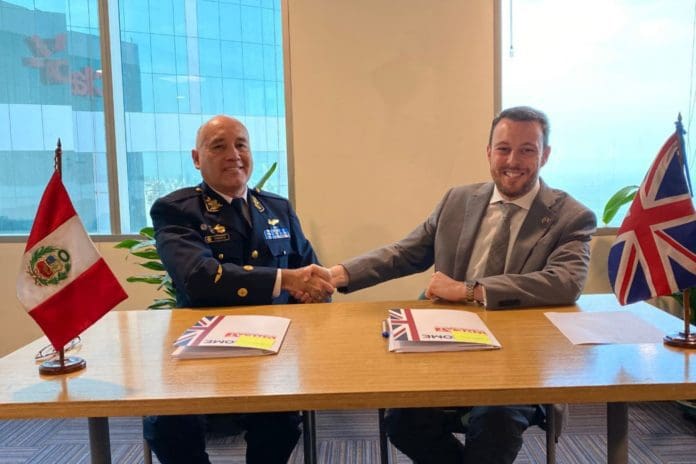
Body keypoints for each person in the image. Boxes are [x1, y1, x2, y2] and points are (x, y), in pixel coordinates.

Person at [328, 106, 597, 464]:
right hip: (447, 347)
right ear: (488, 152)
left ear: (545, 155)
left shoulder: (571, 216)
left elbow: (564, 282)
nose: (512, 161)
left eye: (527, 150)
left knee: (495, 421)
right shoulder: (457, 201)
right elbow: (405, 252)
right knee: (402, 418)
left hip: (520, 360)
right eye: (503, 149)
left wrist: (470, 290)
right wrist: (338, 274)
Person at [143, 115, 334, 464]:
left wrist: (313, 290)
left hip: (272, 348)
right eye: (219, 146)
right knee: (167, 425)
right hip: (202, 349)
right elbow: (199, 279)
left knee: (280, 424)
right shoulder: (177, 210)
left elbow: (312, 275)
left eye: (241, 145)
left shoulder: (277, 208)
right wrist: (286, 280)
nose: (233, 155)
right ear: (197, 158)